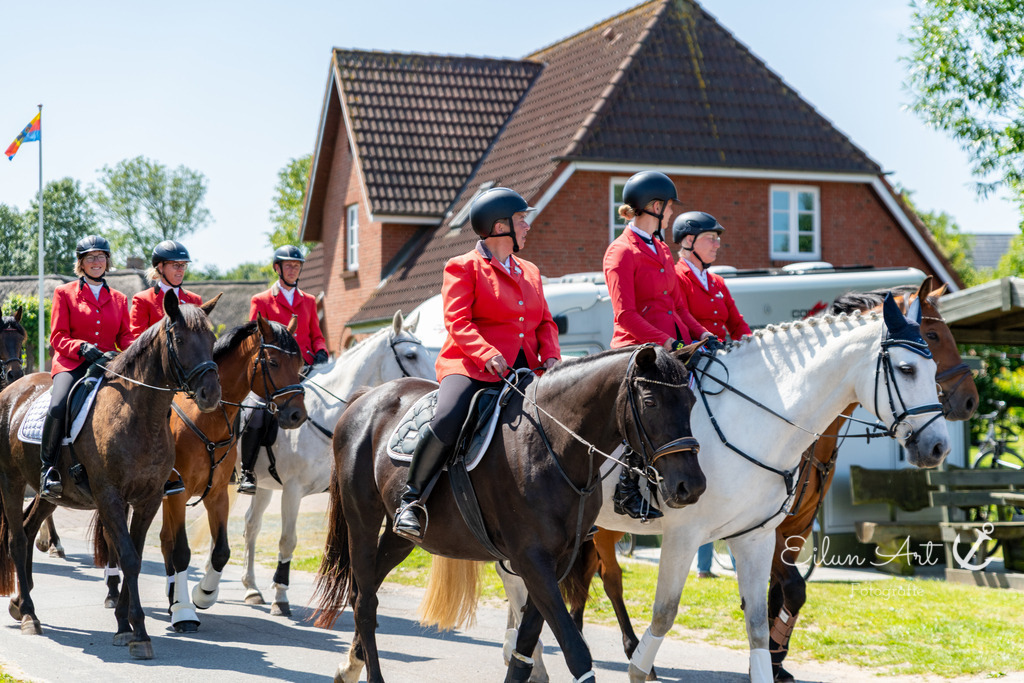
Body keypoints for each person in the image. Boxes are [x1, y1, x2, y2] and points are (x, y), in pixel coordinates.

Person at [393, 187, 560, 539]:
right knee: (449, 415)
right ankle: (412, 499)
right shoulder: (461, 266)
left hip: (526, 368)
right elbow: (458, 323)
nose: (527, 225)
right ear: (500, 226)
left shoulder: (530, 270)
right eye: (521, 219)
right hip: (470, 366)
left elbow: (545, 322)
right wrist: (487, 354)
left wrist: (552, 358)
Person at [602, 171, 715, 520]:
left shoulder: (663, 249)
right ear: (654, 207)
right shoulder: (620, 252)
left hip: (672, 349)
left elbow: (678, 307)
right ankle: (625, 489)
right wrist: (664, 341)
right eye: (667, 209)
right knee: (651, 412)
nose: (670, 216)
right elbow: (626, 315)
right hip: (639, 351)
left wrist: (703, 334)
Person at [673, 210, 751, 577]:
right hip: (692, 363)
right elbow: (681, 321)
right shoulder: (677, 277)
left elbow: (737, 325)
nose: (717, 243)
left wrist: (754, 350)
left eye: (718, 238)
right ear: (688, 242)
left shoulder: (719, 282)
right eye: (710, 238)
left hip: (722, 366)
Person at [40, 235, 133, 499]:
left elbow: (124, 336)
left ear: (107, 261)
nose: (96, 262)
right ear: (81, 262)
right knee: (58, 405)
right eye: (90, 257)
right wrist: (81, 348)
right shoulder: (64, 293)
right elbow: (57, 336)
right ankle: (48, 469)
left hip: (107, 364)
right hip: (72, 364)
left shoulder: (118, 298)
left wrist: (136, 347)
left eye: (101, 257)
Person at [236, 245, 328, 494]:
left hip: (305, 369)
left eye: (297, 266)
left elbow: (317, 336)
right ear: (277, 268)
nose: (293, 270)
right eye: (288, 265)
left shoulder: (308, 301)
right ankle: (247, 472)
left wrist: (321, 350)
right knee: (255, 411)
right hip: (272, 374)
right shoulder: (261, 300)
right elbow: (253, 338)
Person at [130, 240, 204, 497]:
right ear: (160, 267)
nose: (180, 270)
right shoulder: (143, 300)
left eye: (183, 265)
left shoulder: (195, 300)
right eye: (175, 265)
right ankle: (167, 472)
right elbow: (135, 344)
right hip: (156, 380)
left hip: (189, 378)